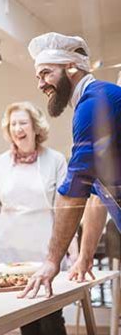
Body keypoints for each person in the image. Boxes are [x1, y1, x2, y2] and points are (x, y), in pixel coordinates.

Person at [20, 32, 121, 298]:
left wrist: (53, 260)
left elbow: (75, 189)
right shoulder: (93, 102)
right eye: (38, 77)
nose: (41, 84)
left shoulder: (96, 103)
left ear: (71, 67)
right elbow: (98, 196)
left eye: (46, 73)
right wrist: (85, 256)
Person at [0, 101, 77, 335]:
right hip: (11, 252)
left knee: (50, 313)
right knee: (25, 314)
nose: (17, 128)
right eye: (12, 124)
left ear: (35, 127)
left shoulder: (55, 159)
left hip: (46, 249)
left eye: (22, 122)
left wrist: (74, 252)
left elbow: (65, 210)